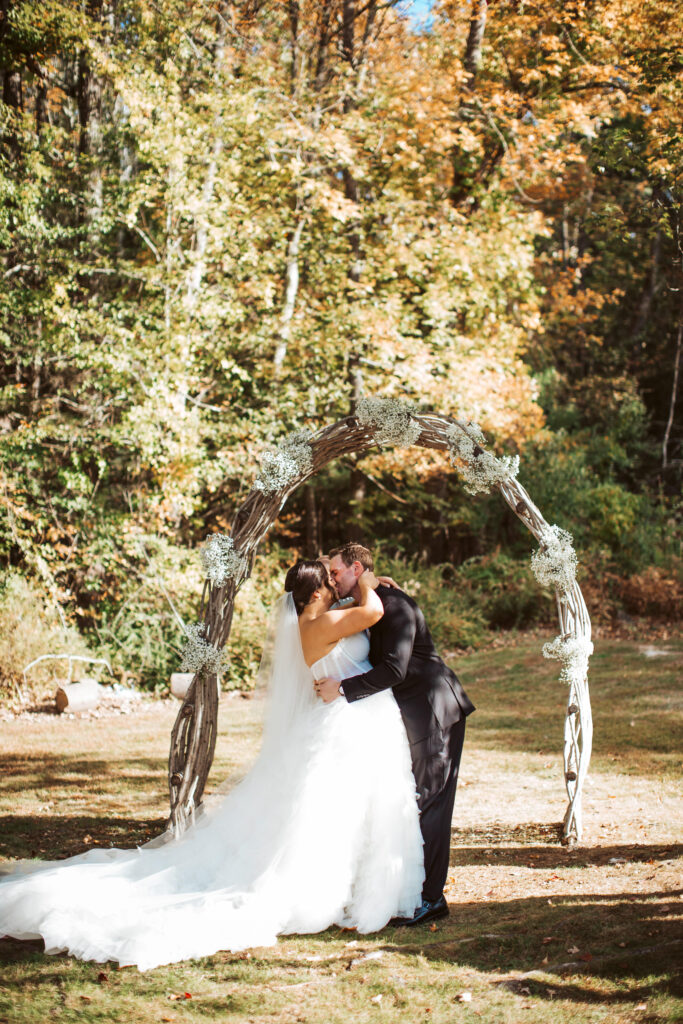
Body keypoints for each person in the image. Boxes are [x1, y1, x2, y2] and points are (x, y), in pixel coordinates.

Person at [0, 560, 424, 971]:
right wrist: (367, 580)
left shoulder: (320, 617)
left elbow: (356, 611)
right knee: (338, 813)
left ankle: (351, 887)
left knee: (349, 810)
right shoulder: (320, 623)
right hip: (344, 722)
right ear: (315, 594)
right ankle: (327, 892)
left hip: (351, 719)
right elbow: (372, 612)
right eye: (329, 581)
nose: (335, 584)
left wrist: (365, 584)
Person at [318, 543, 475, 927]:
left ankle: (431, 898)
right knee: (415, 798)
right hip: (411, 714)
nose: (332, 580)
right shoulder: (369, 600)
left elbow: (394, 669)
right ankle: (411, 891)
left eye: (336, 572)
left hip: (434, 710)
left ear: (357, 568)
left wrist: (341, 689)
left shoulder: (395, 606)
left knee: (431, 802)